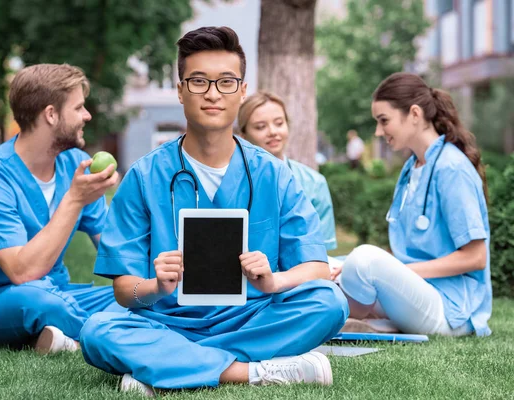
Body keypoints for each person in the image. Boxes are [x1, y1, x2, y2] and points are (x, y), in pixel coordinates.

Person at [80, 26, 348, 394]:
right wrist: (157, 286)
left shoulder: (273, 174)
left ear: (241, 90)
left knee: (329, 302)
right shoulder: (144, 177)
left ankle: (163, 365)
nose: (212, 94)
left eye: (225, 82)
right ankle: (253, 372)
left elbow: (317, 267)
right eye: (198, 82)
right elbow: (125, 292)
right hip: (167, 319)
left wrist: (273, 282)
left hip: (252, 317)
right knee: (98, 332)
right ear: (180, 90)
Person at [0, 63, 124, 354]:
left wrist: (152, 282)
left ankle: (65, 337)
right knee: (37, 299)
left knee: (136, 298)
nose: (87, 116)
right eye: (78, 108)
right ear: (50, 114)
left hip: (59, 292)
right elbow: (21, 272)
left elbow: (116, 246)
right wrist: (75, 199)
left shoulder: (73, 164)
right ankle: (114, 333)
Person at [331, 72, 491, 337]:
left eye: (384, 121)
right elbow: (410, 253)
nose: (378, 132)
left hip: (451, 309)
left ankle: (362, 317)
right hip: (418, 291)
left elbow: (476, 257)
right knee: (324, 264)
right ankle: (376, 321)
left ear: (415, 114)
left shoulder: (452, 167)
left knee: (363, 259)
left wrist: (398, 270)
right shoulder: (412, 168)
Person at [238, 91, 337, 251]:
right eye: (260, 127)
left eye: (279, 123)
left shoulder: (314, 183)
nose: (273, 132)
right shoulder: (232, 184)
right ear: (243, 135)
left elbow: (324, 250)